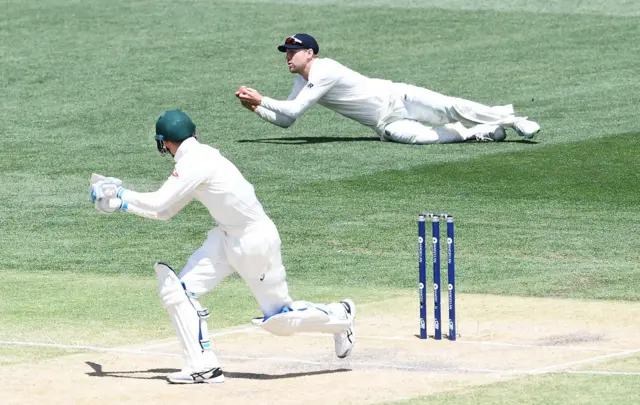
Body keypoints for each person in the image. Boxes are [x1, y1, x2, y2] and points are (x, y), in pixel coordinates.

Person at [90, 110, 356, 384]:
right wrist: (122, 205)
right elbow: (165, 211)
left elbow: (158, 203)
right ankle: (202, 366)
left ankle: (340, 316)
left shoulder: (196, 162)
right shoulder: (195, 159)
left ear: (165, 142)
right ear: (192, 133)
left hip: (254, 242)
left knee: (279, 321)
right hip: (225, 238)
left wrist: (119, 192)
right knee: (176, 292)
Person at [236, 33, 541, 144]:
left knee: (450, 106)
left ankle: (512, 120)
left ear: (310, 53)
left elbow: (294, 109)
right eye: (286, 52)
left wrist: (262, 98)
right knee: (424, 138)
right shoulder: (302, 80)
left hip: (397, 96)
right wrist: (257, 108)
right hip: (386, 123)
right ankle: (479, 132)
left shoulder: (324, 70)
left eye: (293, 51)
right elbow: (288, 120)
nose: (288, 57)